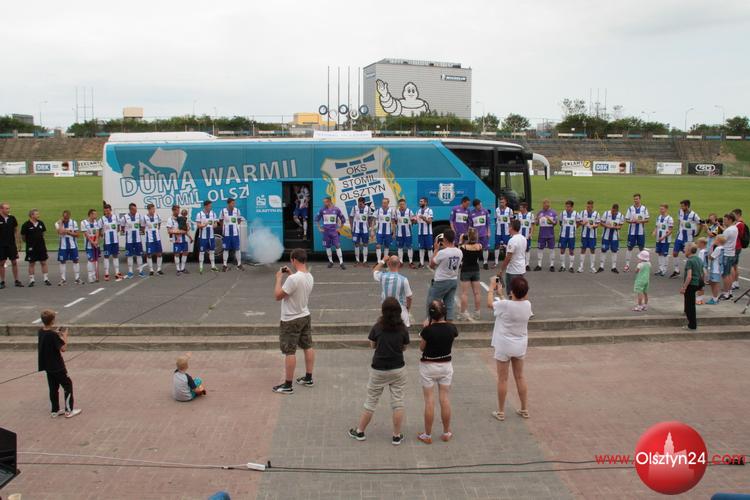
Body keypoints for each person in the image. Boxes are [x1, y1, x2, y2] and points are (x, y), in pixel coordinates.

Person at [348, 297, 410, 445]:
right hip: (398, 368)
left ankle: (360, 431)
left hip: (379, 369)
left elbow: (372, 345)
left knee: (371, 401)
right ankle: (396, 435)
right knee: (398, 402)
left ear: (383, 311)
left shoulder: (377, 327)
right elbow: (404, 347)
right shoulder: (403, 328)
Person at [488, 276, 532, 422]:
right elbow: (511, 305)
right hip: (520, 344)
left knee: (502, 379)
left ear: (511, 291)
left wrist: (491, 287)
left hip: (504, 344)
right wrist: (501, 294)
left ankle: (501, 411)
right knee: (520, 376)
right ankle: (524, 408)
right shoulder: (527, 305)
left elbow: (490, 304)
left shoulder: (505, 305)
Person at [272, 248, 315, 394]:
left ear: (294, 260)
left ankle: (288, 385)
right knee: (308, 346)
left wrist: (279, 278)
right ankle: (308, 377)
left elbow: (278, 295)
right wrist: (291, 274)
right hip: (304, 315)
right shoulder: (309, 276)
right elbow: (297, 287)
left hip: (290, 319)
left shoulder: (293, 279)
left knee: (290, 351)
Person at [417, 300, 458, 444]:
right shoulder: (452, 328)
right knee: (444, 399)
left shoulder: (428, 330)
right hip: (446, 365)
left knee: (429, 400)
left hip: (428, 366)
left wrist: (426, 328)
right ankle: (446, 432)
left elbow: (422, 348)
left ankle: (427, 435)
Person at [37, 309, 82, 418]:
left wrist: (56, 333)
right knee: (67, 385)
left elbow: (48, 337)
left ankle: (55, 410)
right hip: (57, 366)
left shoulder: (41, 331)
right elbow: (63, 348)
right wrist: (65, 336)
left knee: (53, 387)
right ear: (52, 321)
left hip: (47, 366)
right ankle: (69, 410)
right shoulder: (53, 335)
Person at [427, 229, 462, 321]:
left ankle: (431, 323)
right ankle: (449, 325)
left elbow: (431, 264)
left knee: (433, 303)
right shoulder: (459, 252)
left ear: (445, 239)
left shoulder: (442, 253)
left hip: (441, 280)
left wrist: (436, 249)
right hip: (453, 279)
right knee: (449, 304)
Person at [373, 255, 413, 327]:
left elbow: (375, 271)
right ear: (399, 264)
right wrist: (407, 308)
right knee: (403, 329)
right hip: (400, 311)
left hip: (386, 311)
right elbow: (409, 297)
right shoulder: (403, 279)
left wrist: (383, 260)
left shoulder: (383, 276)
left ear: (388, 264)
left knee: (386, 329)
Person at [671, 200, 701, 278]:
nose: (681, 207)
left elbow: (700, 223)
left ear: (687, 206)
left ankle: (693, 271)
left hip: (688, 238)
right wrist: (678, 230)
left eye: (683, 206)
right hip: (680, 236)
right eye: (681, 206)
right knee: (675, 253)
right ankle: (676, 271)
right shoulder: (680, 212)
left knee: (689, 255)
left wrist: (697, 233)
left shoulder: (694, 215)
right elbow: (679, 221)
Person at [21, 209, 51, 286]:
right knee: (31, 263)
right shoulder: (26, 225)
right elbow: (23, 237)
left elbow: (43, 234)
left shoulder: (41, 223)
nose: (38, 215)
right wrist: (30, 243)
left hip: (41, 246)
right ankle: (32, 280)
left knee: (43, 262)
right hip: (31, 247)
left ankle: (46, 279)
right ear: (32, 215)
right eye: (37, 214)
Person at [458, 228, 483, 320]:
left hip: (465, 270)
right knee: (477, 293)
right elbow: (480, 256)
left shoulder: (463, 247)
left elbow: (459, 254)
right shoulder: (479, 246)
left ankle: (463, 314)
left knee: (464, 293)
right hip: (475, 269)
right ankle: (477, 313)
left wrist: (460, 241)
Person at [315, 196, 346, 269]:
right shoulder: (322, 210)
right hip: (326, 232)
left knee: (337, 246)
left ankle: (341, 262)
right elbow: (316, 219)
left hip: (334, 232)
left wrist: (339, 228)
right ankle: (331, 262)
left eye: (325, 202)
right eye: (324, 202)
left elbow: (343, 219)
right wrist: (319, 228)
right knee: (327, 246)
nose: (324, 203)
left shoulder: (336, 209)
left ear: (329, 201)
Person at [624, 193, 650, 272]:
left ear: (640, 199)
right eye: (634, 199)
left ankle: (641, 265)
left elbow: (647, 219)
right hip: (631, 232)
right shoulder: (630, 208)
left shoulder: (644, 208)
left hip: (640, 232)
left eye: (637, 199)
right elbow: (626, 219)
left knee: (641, 248)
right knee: (629, 248)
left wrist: (640, 221)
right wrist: (632, 221)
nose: (635, 200)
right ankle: (627, 265)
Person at [680, 243, 703, 330]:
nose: (684, 250)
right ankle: (691, 322)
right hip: (697, 283)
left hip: (691, 284)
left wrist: (684, 287)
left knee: (689, 305)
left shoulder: (690, 261)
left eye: (685, 249)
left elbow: (689, 276)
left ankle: (692, 324)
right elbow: (703, 272)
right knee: (691, 304)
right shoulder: (699, 259)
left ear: (689, 250)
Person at [0, 202, 23, 288]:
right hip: (1, 245)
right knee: (1, 263)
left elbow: (16, 230)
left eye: (8, 208)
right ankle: (2, 281)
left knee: (14, 262)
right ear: (1, 209)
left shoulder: (12, 218)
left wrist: (18, 242)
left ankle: (16, 280)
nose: (8, 210)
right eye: (6, 208)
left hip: (11, 244)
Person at [56, 210, 81, 285]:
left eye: (66, 217)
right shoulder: (57, 223)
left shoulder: (73, 223)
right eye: (64, 217)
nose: (65, 218)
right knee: (62, 261)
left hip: (73, 245)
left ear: (69, 216)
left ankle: (77, 278)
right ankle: (63, 279)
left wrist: (68, 232)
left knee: (76, 261)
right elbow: (60, 232)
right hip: (63, 246)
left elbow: (77, 235)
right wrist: (61, 224)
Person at [500, 220, 527, 291]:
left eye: (509, 227)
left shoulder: (512, 240)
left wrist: (501, 270)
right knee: (519, 292)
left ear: (511, 227)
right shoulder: (523, 238)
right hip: (521, 269)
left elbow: (508, 257)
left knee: (511, 292)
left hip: (513, 270)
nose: (508, 229)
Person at [121, 202, 146, 278]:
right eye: (134, 210)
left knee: (139, 255)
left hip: (138, 240)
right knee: (129, 256)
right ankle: (130, 271)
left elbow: (142, 226)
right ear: (130, 210)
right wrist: (125, 231)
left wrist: (141, 231)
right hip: (129, 240)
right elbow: (122, 227)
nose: (135, 211)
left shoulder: (139, 216)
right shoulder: (124, 217)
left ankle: (141, 271)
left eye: (136, 209)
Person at [100, 204, 123, 281]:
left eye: (108, 210)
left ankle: (117, 272)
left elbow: (119, 226)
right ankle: (106, 273)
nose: (107, 212)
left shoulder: (115, 217)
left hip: (115, 241)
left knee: (115, 255)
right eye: (105, 211)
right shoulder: (102, 219)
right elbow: (99, 230)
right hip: (107, 242)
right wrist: (102, 234)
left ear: (110, 210)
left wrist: (116, 231)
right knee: (106, 257)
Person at [598, 203, 624, 273]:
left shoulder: (621, 216)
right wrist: (607, 226)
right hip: (605, 236)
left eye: (614, 211)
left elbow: (620, 226)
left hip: (615, 237)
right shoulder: (606, 213)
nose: (613, 212)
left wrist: (615, 227)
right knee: (603, 250)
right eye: (612, 210)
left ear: (617, 210)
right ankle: (601, 266)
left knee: (614, 251)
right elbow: (601, 223)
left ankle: (613, 267)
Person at [220, 198, 244, 271]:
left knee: (237, 249)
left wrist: (236, 226)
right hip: (226, 234)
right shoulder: (223, 211)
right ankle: (224, 265)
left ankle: (239, 265)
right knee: (226, 249)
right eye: (232, 203)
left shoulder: (237, 210)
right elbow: (221, 221)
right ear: (228, 203)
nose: (234, 204)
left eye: (234, 203)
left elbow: (239, 220)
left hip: (235, 233)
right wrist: (224, 228)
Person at [196, 200, 218, 274]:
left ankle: (213, 266)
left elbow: (216, 223)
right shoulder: (199, 214)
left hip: (211, 236)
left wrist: (215, 225)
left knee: (212, 251)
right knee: (202, 252)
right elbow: (198, 225)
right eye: (209, 206)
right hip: (203, 237)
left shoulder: (213, 213)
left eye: (211, 206)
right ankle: (201, 267)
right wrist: (203, 225)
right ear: (205, 206)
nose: (210, 207)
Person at [166, 205, 190, 275]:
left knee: (185, 252)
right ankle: (178, 269)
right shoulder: (170, 219)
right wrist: (178, 231)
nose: (178, 212)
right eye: (177, 210)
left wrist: (187, 228)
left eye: (179, 210)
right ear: (173, 211)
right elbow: (169, 231)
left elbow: (187, 227)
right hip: (176, 240)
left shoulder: (182, 218)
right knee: (177, 254)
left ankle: (182, 268)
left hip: (184, 239)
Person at [535, 199, 557, 271]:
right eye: (544, 205)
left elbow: (555, 223)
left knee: (552, 249)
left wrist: (549, 219)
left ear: (549, 205)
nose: (545, 207)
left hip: (550, 235)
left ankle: (552, 265)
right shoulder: (540, 212)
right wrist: (537, 219)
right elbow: (536, 224)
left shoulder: (553, 213)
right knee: (540, 249)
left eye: (547, 206)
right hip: (542, 235)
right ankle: (539, 265)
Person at [577, 200, 599, 274]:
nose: (588, 208)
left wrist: (593, 226)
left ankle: (592, 267)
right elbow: (579, 222)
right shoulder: (582, 213)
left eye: (590, 207)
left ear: (592, 206)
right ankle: (581, 267)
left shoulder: (596, 214)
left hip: (593, 236)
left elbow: (598, 224)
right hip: (584, 235)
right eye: (587, 206)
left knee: (592, 250)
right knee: (583, 249)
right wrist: (583, 223)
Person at [350, 197, 373, 267]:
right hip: (356, 230)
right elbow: (351, 217)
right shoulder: (354, 208)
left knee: (365, 244)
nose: (359, 205)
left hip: (365, 230)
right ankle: (357, 261)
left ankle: (365, 261)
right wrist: (351, 227)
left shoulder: (368, 208)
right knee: (356, 244)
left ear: (364, 203)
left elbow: (370, 218)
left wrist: (370, 226)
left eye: (361, 204)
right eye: (358, 203)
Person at [720, 213, 738, 301]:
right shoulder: (735, 228)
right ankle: (729, 291)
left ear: (730, 220)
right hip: (732, 253)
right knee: (730, 273)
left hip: (726, 254)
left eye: (725, 220)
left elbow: (722, 241)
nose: (724, 222)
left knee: (725, 275)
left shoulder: (728, 230)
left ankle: (726, 293)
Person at [653, 204, 674, 277]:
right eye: (660, 209)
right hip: (658, 239)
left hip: (665, 240)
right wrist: (654, 231)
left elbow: (670, 230)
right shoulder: (658, 217)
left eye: (662, 209)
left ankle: (664, 270)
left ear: (666, 209)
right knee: (659, 253)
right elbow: (657, 227)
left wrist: (663, 237)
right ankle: (660, 269)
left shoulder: (669, 219)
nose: (661, 210)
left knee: (664, 254)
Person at [81, 209, 101, 284]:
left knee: (95, 259)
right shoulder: (83, 222)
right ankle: (90, 276)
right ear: (91, 215)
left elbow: (97, 232)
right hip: (88, 245)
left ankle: (94, 275)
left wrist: (96, 241)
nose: (96, 215)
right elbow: (86, 234)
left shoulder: (96, 222)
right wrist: (92, 242)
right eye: (95, 214)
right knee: (90, 259)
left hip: (96, 244)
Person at [469, 199, 491, 269]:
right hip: (476, 235)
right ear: (475, 206)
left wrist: (488, 232)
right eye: (479, 205)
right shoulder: (471, 213)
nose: (480, 206)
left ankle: (485, 263)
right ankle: (476, 263)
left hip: (484, 234)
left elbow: (488, 223)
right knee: (476, 249)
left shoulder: (485, 212)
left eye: (481, 204)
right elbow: (470, 226)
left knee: (485, 248)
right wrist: (471, 235)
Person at [373, 198, 396, 263]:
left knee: (386, 247)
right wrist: (372, 230)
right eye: (383, 203)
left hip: (388, 233)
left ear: (388, 203)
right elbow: (373, 221)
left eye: (385, 203)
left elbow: (393, 223)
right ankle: (378, 261)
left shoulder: (391, 211)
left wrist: (394, 233)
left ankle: (384, 261)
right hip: (379, 232)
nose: (383, 204)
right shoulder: (378, 210)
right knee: (378, 246)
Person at [143, 203, 164, 276]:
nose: (154, 210)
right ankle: (151, 270)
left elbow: (159, 224)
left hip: (157, 238)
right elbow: (142, 227)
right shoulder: (144, 217)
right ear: (149, 210)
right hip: (149, 239)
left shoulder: (157, 216)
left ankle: (159, 269)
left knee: (159, 253)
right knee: (149, 254)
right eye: (152, 209)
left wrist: (157, 229)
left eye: (154, 209)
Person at [493, 196, 513, 269]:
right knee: (497, 246)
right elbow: (495, 219)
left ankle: (507, 262)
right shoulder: (497, 210)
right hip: (498, 231)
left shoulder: (509, 210)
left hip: (506, 231)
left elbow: (511, 221)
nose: (501, 204)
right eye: (500, 202)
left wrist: (511, 230)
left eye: (503, 202)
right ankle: (496, 262)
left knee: (507, 246)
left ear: (506, 202)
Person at [395, 198, 416, 268]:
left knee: (409, 247)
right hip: (399, 233)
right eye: (400, 204)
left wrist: (414, 220)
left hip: (408, 233)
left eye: (403, 204)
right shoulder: (396, 212)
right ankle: (400, 262)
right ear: (399, 205)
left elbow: (413, 220)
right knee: (400, 247)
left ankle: (411, 262)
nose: (402, 205)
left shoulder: (409, 211)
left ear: (405, 204)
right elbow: (395, 221)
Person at [558, 200, 577, 273]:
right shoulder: (562, 213)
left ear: (572, 207)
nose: (567, 208)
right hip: (563, 235)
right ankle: (562, 266)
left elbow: (578, 222)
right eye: (566, 206)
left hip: (571, 236)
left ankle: (571, 267)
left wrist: (574, 228)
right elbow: (560, 223)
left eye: (568, 207)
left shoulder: (576, 214)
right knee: (562, 250)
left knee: (571, 251)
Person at [706, 235, 726, 305]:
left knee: (715, 283)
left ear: (718, 241)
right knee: (713, 282)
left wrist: (711, 247)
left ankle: (715, 299)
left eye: (715, 239)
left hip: (715, 269)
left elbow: (711, 257)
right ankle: (714, 297)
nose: (714, 241)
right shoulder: (722, 248)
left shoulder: (718, 248)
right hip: (718, 269)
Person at [515, 202, 535, 271]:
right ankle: (520, 264)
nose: (520, 209)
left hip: (527, 235)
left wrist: (531, 233)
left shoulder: (531, 215)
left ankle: (527, 264)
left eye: (521, 207)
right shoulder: (518, 215)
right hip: (520, 236)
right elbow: (516, 225)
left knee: (527, 250)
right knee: (519, 250)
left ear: (525, 208)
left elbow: (532, 225)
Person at [415, 197, 434, 269]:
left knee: (429, 249)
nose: (420, 203)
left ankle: (431, 264)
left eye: (421, 201)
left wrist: (423, 218)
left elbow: (429, 222)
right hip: (420, 233)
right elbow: (416, 222)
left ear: (425, 202)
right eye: (420, 201)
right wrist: (413, 220)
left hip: (428, 233)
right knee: (421, 248)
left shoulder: (429, 211)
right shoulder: (418, 211)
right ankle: (421, 263)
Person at [731, 208, 745, 291]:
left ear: (738, 214)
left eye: (733, 215)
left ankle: (733, 283)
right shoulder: (739, 223)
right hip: (737, 246)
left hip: (735, 246)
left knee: (732, 266)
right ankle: (736, 282)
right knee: (735, 265)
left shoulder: (739, 224)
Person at [695, 237, 708, 305]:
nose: (697, 244)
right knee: (702, 285)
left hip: (701, 269)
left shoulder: (701, 252)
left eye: (698, 243)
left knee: (699, 285)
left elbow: (701, 262)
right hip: (704, 269)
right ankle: (701, 299)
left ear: (702, 244)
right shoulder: (705, 251)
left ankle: (699, 299)